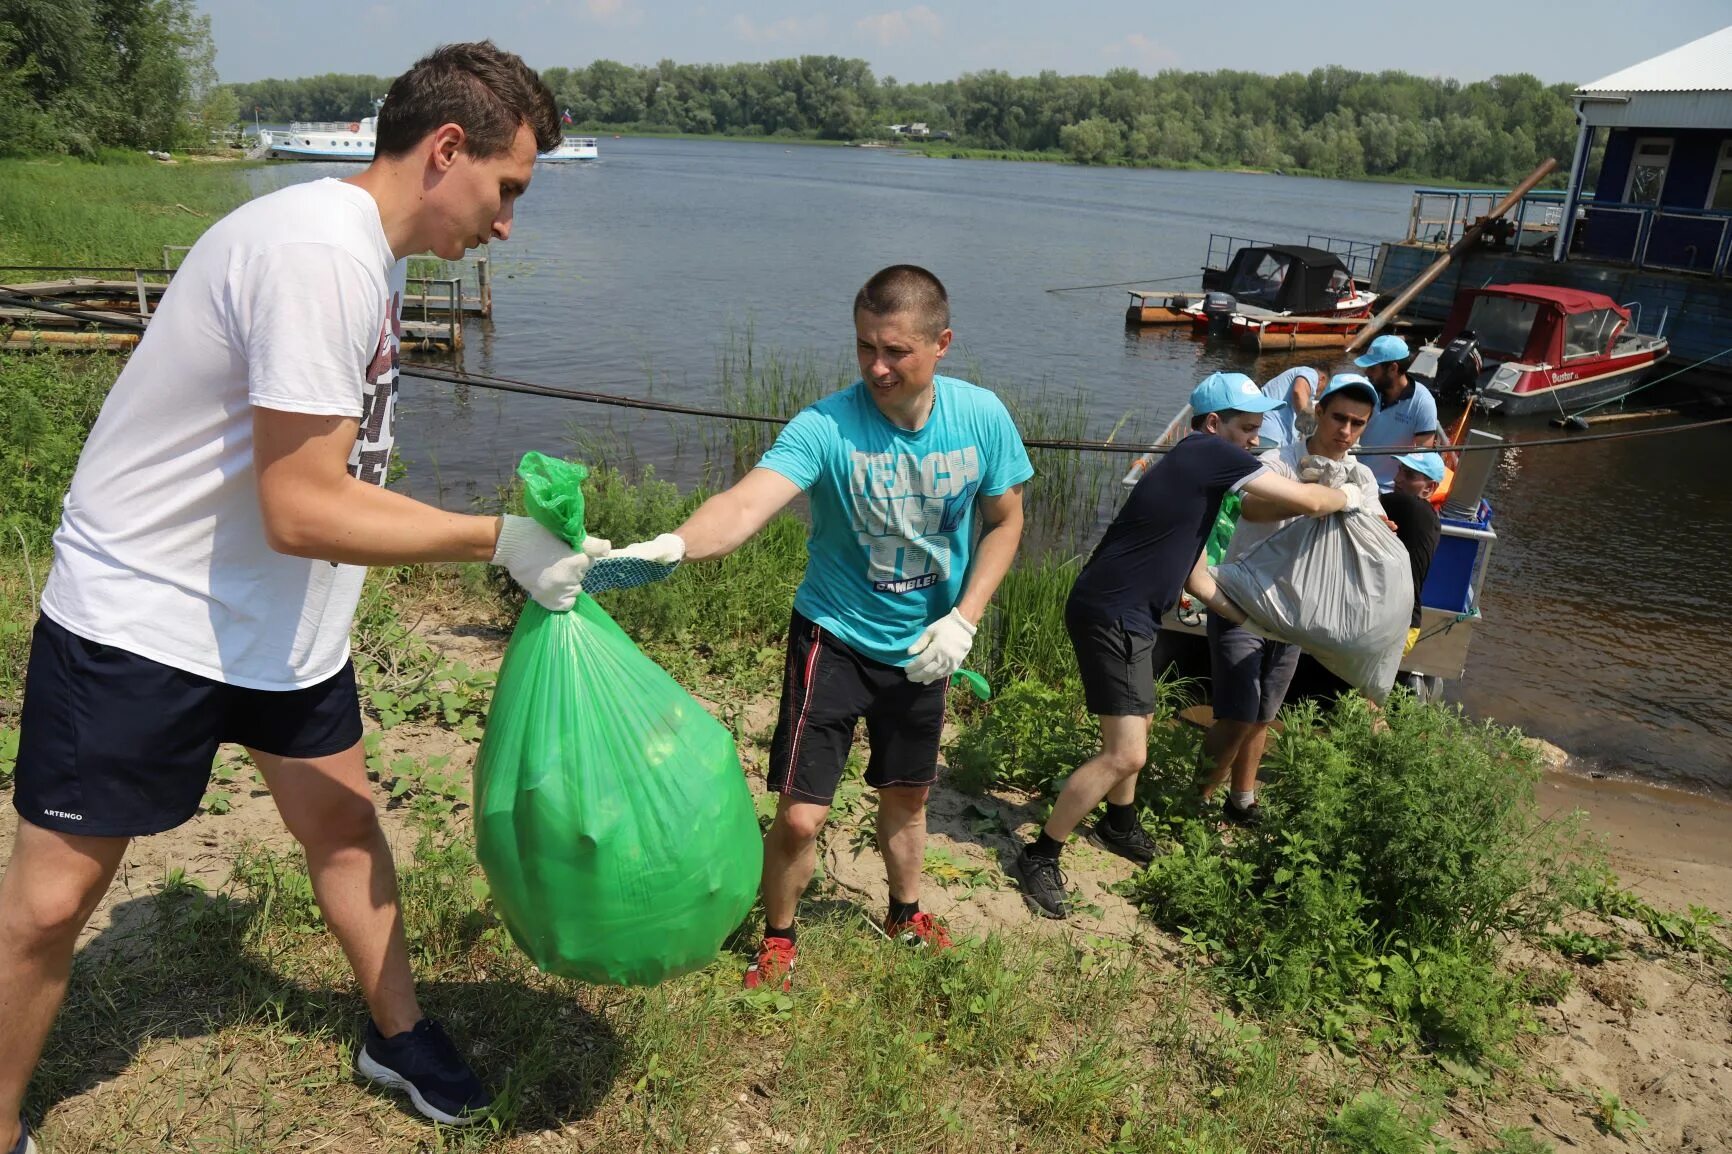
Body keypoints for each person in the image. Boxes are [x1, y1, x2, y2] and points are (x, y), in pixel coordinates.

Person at [0, 43, 588, 1143]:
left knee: (346, 825)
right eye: (506, 188)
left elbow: (320, 483)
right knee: (44, 904)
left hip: (284, 619)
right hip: (148, 613)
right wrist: (497, 538)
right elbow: (302, 507)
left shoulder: (378, 250)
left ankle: (396, 1032)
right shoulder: (317, 252)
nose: (507, 221)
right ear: (445, 150)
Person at [613, 266, 1032, 989]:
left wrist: (964, 621)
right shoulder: (826, 425)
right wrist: (673, 545)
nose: (876, 366)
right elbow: (743, 507)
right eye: (865, 345)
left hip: (926, 648)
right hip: (832, 638)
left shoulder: (983, 417)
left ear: (942, 345)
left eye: (896, 351)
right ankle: (778, 935)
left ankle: (905, 914)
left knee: (908, 799)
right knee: (803, 816)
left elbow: (1007, 520)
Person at [1013, 372, 1359, 920]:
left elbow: (1196, 577)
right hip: (1113, 614)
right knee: (1125, 752)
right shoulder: (1203, 453)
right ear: (1213, 424)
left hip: (1127, 613)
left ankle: (1118, 824)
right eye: (1248, 428)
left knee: (1139, 728)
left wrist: (1258, 621)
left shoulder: (1195, 481)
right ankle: (1040, 854)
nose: (1256, 438)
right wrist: (1351, 494)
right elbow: (1307, 500)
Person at [1198, 373, 1381, 827]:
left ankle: (1241, 800)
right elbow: (1253, 509)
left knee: (1262, 717)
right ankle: (1193, 801)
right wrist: (1322, 498)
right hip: (1242, 605)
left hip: (1297, 616)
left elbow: (1372, 533)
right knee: (1237, 715)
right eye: (1339, 417)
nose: (1346, 431)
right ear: (1318, 412)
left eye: (1358, 423)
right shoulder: (1277, 463)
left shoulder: (1362, 478)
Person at [1354, 334, 1440, 491]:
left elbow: (1422, 456)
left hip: (1387, 489)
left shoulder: (1423, 402)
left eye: (1372, 368)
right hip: (1352, 477)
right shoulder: (1365, 389)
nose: (1367, 372)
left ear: (1393, 368)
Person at [1380, 451, 1445, 655]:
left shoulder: (1409, 507)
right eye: (1400, 470)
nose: (1397, 478)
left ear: (1430, 488)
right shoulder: (1429, 517)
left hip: (1399, 625)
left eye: (1409, 475)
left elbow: (1361, 500)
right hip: (1406, 623)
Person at [1256, 365, 1319, 449]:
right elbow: (1298, 392)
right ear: (1322, 379)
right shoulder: (1311, 372)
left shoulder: (1283, 381)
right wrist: (1310, 431)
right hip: (1272, 434)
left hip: (1260, 430)